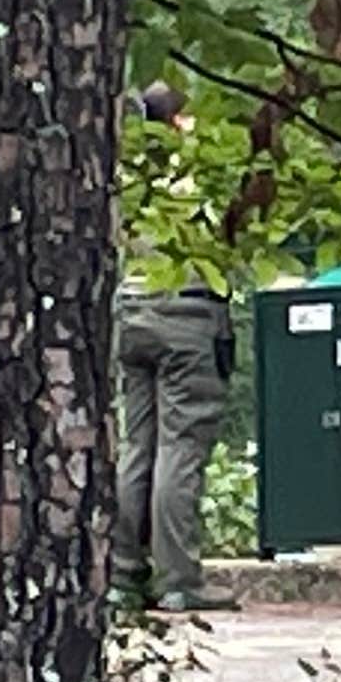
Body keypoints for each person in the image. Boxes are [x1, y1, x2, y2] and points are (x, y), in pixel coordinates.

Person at [115, 82, 241, 612]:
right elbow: (231, 232)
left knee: (136, 447)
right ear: (179, 121)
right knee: (180, 448)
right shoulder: (195, 173)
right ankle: (179, 581)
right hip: (187, 313)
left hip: (131, 311)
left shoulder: (124, 173)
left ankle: (121, 576)